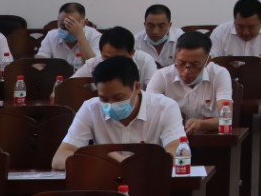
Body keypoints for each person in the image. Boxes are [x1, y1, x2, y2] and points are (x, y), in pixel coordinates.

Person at [52, 55, 185, 170]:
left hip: (150, 182)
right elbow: (60, 158)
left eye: (118, 98)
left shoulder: (165, 107)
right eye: (104, 98)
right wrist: (103, 160)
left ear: (137, 87)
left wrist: (131, 163)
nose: (110, 104)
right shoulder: (90, 108)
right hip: (106, 183)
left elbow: (178, 154)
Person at [147, 31, 233, 134]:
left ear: (207, 61)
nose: (186, 71)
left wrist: (201, 124)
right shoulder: (162, 76)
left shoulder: (219, 74)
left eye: (195, 64)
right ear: (175, 56)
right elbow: (148, 114)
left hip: (210, 137)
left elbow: (226, 119)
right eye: (181, 63)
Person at [71, 26, 159, 86]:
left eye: (118, 59)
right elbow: (69, 85)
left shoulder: (145, 61)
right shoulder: (94, 63)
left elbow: (155, 92)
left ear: (132, 53)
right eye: (107, 58)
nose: (112, 63)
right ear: (101, 53)